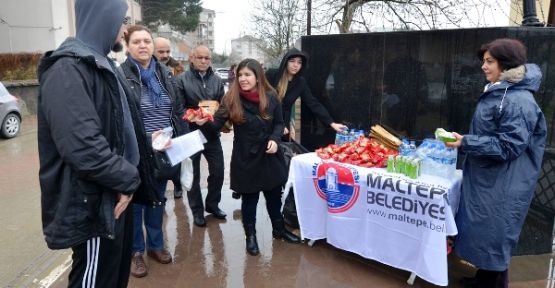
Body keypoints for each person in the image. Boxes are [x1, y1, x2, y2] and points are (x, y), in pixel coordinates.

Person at [37, 0, 140, 286]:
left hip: (116, 194)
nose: (125, 28)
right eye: (122, 20)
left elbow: (121, 127)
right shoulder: (68, 68)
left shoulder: (103, 63)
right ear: (103, 17)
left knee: (114, 278)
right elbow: (83, 148)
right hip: (96, 202)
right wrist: (128, 179)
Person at [446, 38, 546, 288]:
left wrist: (466, 142)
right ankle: (483, 278)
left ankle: (493, 283)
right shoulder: (503, 91)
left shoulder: (517, 100)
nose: (483, 66)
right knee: (486, 235)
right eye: (483, 61)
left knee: (494, 236)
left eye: (489, 61)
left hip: (504, 183)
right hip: (492, 179)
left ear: (506, 63)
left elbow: (509, 146)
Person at [193, 58, 301, 256]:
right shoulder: (231, 99)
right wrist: (203, 123)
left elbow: (279, 123)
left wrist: (275, 139)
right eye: (240, 75)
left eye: (247, 75)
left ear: (258, 77)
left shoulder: (271, 95)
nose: (242, 79)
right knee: (249, 201)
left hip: (270, 155)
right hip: (246, 157)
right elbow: (216, 126)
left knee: (273, 198)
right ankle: (250, 236)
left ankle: (279, 230)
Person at [120, 25, 188, 278]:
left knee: (158, 199)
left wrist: (183, 131)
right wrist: (148, 139)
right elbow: (121, 120)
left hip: (165, 148)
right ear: (128, 46)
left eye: (147, 41)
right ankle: (136, 251)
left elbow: (177, 110)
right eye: (136, 41)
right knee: (137, 202)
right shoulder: (120, 76)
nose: (143, 45)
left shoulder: (165, 75)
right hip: (137, 151)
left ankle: (156, 246)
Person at [176, 45, 227, 227]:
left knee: (218, 172)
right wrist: (192, 117)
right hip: (192, 134)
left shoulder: (217, 81)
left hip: (212, 134)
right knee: (193, 175)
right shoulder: (182, 80)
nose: (204, 61)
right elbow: (178, 108)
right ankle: (197, 212)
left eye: (207, 58)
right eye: (200, 57)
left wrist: (215, 122)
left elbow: (222, 107)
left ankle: (212, 205)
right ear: (192, 58)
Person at [265, 48, 347, 141]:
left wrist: (332, 123)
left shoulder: (300, 82)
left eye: (299, 62)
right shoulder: (272, 75)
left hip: (284, 123)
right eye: (292, 61)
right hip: (267, 120)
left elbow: (313, 103)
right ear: (285, 62)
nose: (295, 65)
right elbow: (263, 99)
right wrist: (278, 125)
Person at [153, 36, 185, 199]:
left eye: (167, 51)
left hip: (171, 123)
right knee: (158, 161)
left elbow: (178, 100)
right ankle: (160, 193)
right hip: (153, 127)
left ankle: (177, 185)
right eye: (161, 51)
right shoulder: (147, 70)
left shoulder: (174, 68)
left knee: (174, 158)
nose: (165, 55)